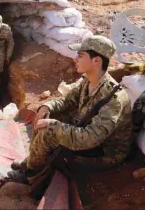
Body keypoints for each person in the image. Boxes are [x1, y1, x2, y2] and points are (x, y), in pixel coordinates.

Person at [10, 35, 133, 183]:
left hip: (105, 152)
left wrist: (54, 126)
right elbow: (67, 102)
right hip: (88, 133)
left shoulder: (114, 99)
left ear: (96, 61)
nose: (75, 59)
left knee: (49, 132)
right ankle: (32, 160)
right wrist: (46, 106)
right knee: (48, 115)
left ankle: (31, 174)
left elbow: (90, 138)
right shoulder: (89, 81)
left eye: (80, 56)